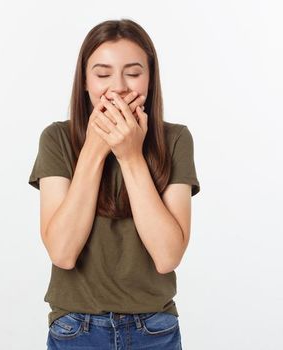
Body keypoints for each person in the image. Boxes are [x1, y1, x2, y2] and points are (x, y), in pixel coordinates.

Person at [28, 19, 200, 350]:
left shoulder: (175, 139)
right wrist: (95, 147)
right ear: (85, 82)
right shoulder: (57, 139)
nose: (118, 87)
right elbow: (62, 252)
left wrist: (130, 156)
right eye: (103, 74)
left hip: (155, 328)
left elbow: (167, 256)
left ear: (150, 79)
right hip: (75, 327)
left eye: (133, 73)